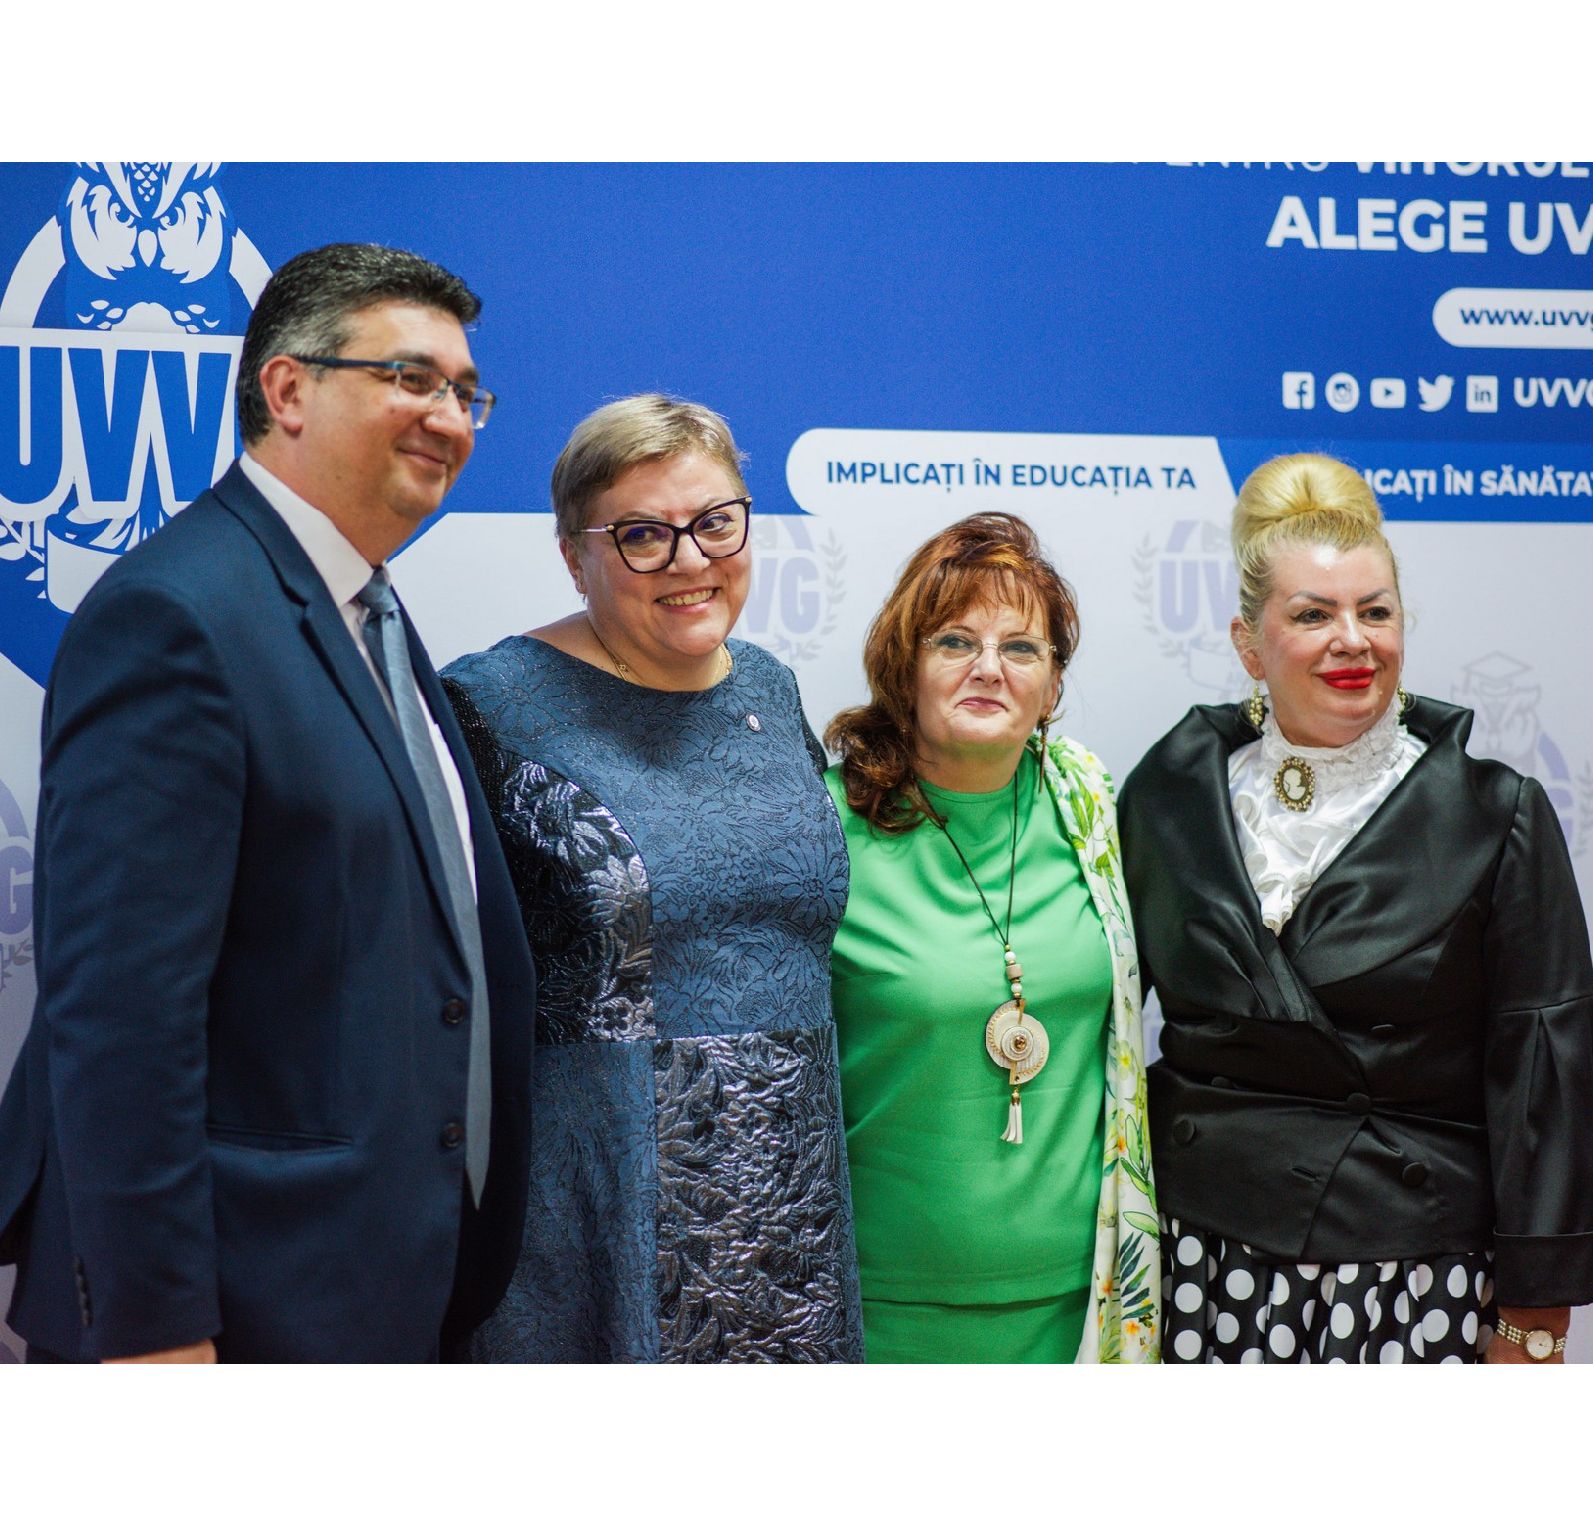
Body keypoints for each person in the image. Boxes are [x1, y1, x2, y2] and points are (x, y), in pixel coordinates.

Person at [0, 243, 536, 1362]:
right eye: (410, 378)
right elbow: (121, 1015)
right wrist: (154, 1327)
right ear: (287, 389)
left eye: (464, 391)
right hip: (232, 1309)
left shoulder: (365, 607)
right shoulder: (177, 616)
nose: (450, 417)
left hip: (378, 1281)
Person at [1120, 452, 1593, 1364]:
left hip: (1412, 1263)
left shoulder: (1493, 813)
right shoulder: (1169, 792)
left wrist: (1532, 1314)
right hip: (1197, 1255)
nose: (1353, 640)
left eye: (1375, 612)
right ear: (1247, 643)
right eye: (1312, 615)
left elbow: (1544, 1066)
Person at [441, 393, 862, 1362]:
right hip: (593, 1215)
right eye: (641, 535)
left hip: (792, 1207)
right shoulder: (489, 705)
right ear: (572, 554)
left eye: (715, 522)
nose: (688, 559)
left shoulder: (770, 687)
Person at [822, 512, 1158, 1363]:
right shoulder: (822, 828)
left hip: (1082, 1300)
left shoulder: (1090, 808)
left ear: (1052, 683)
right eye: (953, 641)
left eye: (1020, 648)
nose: (987, 667)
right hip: (877, 1301)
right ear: (902, 665)